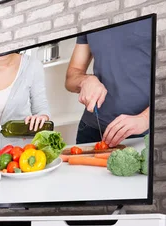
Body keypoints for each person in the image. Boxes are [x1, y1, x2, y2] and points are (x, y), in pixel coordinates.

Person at [65, 18, 152, 146]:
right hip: (92, 130)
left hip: (143, 132)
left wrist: (145, 119)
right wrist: (85, 80)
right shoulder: (90, 18)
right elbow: (71, 77)